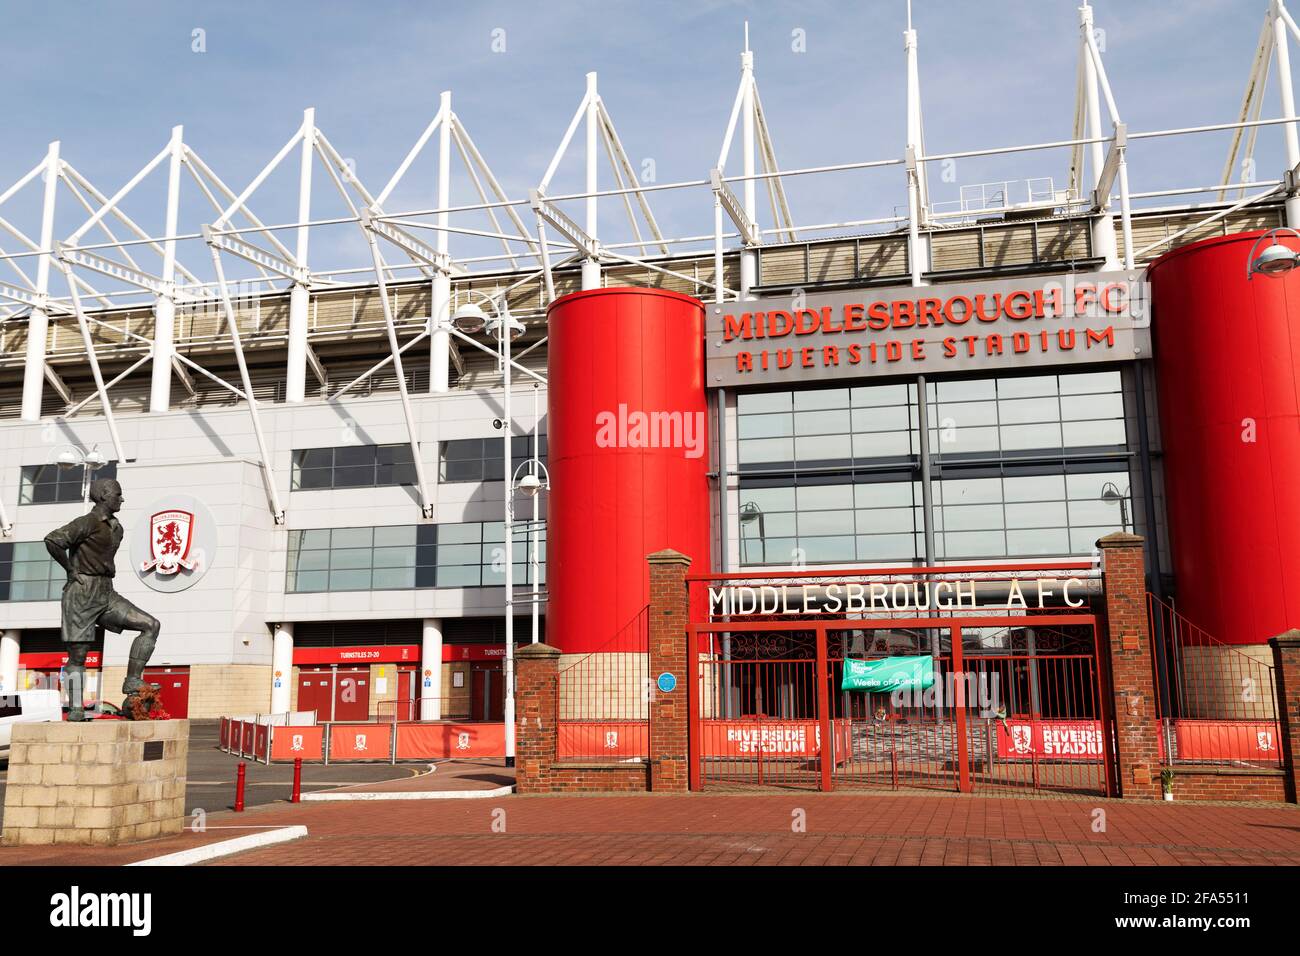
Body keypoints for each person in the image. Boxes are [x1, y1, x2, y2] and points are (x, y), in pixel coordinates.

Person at [44, 477, 160, 720]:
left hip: (106, 592)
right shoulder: (87, 522)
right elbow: (53, 540)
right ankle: (76, 709)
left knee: (150, 625)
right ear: (104, 495)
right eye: (118, 494)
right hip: (82, 593)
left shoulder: (117, 528)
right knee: (78, 656)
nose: (122, 499)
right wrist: (70, 570)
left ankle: (132, 680)